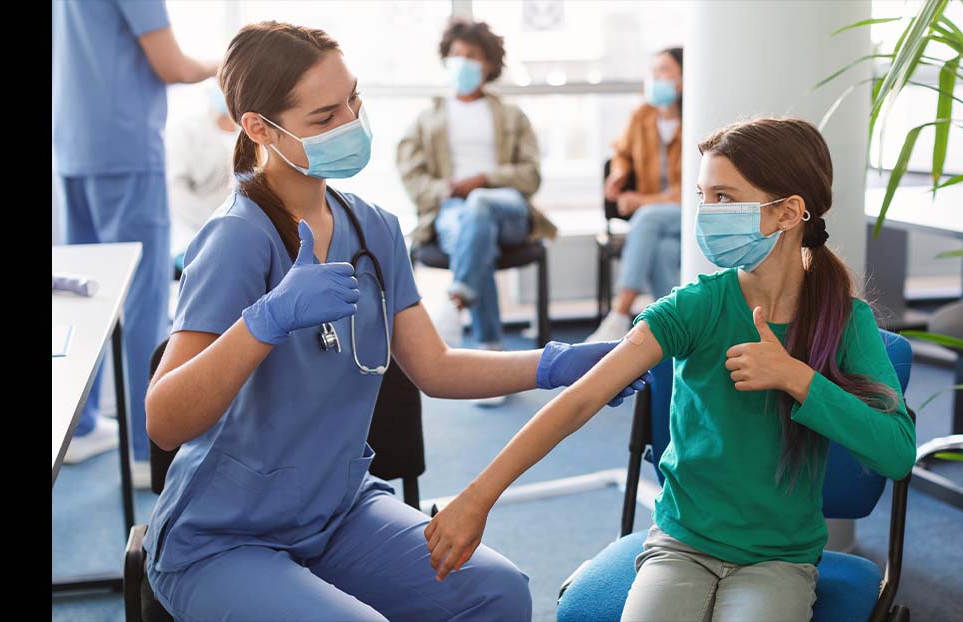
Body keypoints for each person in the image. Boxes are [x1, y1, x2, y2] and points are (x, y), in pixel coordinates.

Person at [142, 21, 649, 621]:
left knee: (497, 592)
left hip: (336, 509)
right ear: (258, 127)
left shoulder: (373, 229)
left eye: (354, 100)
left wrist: (558, 363)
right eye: (325, 117)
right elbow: (165, 421)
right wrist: (266, 320)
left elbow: (435, 368)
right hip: (226, 536)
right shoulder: (236, 241)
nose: (351, 124)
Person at [424, 117, 917, 622]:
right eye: (703, 196)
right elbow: (580, 401)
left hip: (779, 559)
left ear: (788, 212)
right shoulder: (693, 308)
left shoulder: (844, 320)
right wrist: (478, 497)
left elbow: (897, 454)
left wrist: (796, 377)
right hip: (680, 545)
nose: (707, 213)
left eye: (724, 198)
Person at [53, 0, 217, 487]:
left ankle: (78, 428)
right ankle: (149, 452)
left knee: (87, 295)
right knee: (144, 300)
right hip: (124, 145)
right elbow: (172, 65)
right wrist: (223, 61)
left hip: (72, 146)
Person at [397, 18, 556, 363]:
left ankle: (458, 303)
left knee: (480, 204)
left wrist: (484, 179)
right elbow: (412, 177)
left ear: (489, 65)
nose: (463, 61)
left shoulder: (513, 116)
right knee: (475, 235)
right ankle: (490, 348)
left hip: (508, 207)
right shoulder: (427, 119)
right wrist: (447, 189)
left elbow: (531, 176)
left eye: (473, 55)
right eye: (456, 54)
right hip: (451, 209)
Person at [587, 47, 685, 343]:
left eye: (665, 71)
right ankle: (676, 329)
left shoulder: (698, 116)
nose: (657, 78)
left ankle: (620, 312)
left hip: (687, 210)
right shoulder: (642, 115)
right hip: (660, 222)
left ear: (685, 76)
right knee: (663, 251)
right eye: (654, 72)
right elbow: (621, 153)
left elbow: (695, 188)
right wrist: (618, 172)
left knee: (647, 216)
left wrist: (642, 201)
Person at [167, 81, 240, 263]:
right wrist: (216, 223)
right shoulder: (187, 131)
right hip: (194, 232)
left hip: (240, 229)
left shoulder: (251, 132)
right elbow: (175, 190)